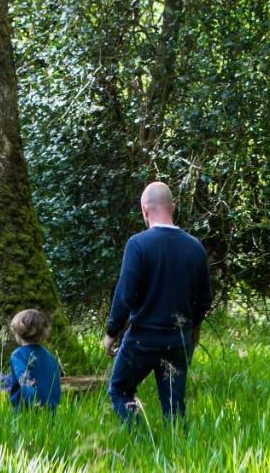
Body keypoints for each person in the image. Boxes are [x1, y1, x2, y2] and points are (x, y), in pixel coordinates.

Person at [103, 181, 212, 424]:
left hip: (143, 338)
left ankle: (139, 439)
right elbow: (205, 300)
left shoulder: (138, 244)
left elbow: (125, 295)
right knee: (174, 406)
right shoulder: (195, 247)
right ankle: (178, 452)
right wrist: (190, 327)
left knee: (120, 391)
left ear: (144, 210)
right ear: (172, 207)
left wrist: (112, 331)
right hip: (178, 340)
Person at [3, 308, 62, 410]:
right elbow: (55, 384)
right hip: (51, 409)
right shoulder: (50, 356)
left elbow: (24, 379)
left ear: (19, 333)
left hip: (26, 410)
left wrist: (33, 402)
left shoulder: (18, 355)